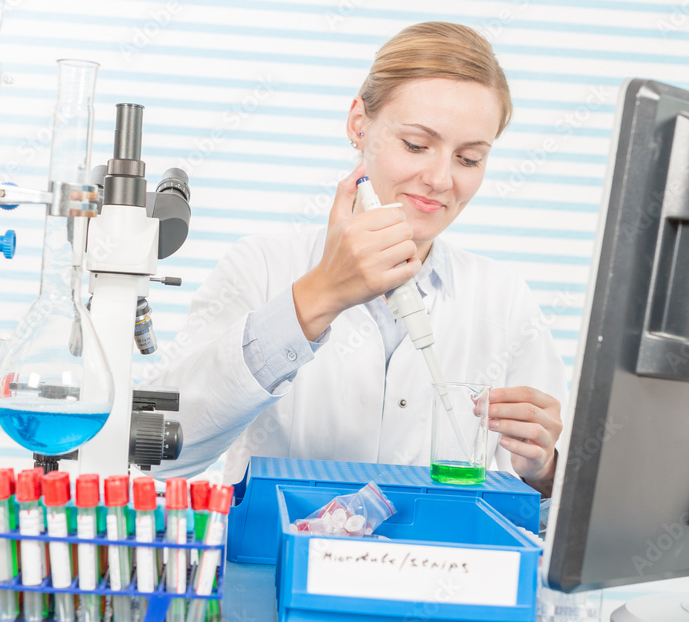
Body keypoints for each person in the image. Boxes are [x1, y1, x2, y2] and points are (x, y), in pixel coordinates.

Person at [149, 22, 567, 497]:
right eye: (416, 145)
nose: (440, 179)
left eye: (469, 159)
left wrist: (544, 467)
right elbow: (160, 453)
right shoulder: (261, 264)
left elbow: (558, 510)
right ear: (358, 124)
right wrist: (319, 296)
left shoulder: (503, 299)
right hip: (277, 567)